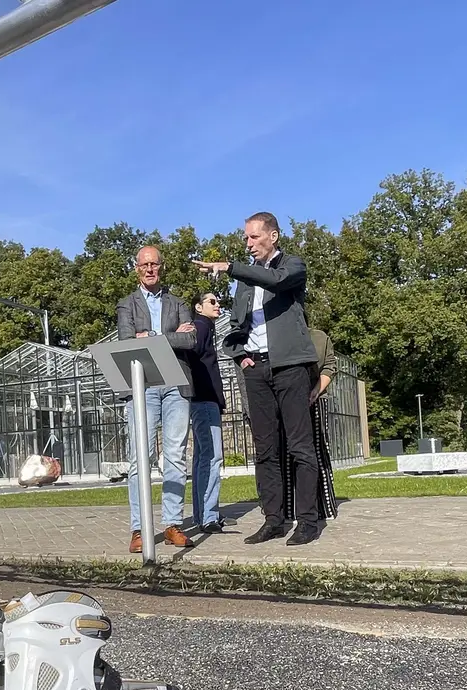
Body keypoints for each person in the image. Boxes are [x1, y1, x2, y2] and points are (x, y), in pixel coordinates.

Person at [195, 211, 320, 546]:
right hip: (257, 371)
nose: (249, 244)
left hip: (290, 367)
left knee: (299, 446)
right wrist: (241, 356)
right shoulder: (245, 284)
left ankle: (308, 521)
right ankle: (273, 520)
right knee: (265, 449)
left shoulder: (293, 265)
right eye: (246, 238)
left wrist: (228, 267)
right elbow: (236, 326)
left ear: (273, 236)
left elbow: (278, 282)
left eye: (254, 237)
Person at [117, 245, 198, 553]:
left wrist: (151, 337)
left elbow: (190, 339)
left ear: (162, 267)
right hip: (143, 387)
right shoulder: (127, 305)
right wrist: (169, 335)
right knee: (140, 459)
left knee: (175, 455)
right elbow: (126, 341)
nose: (149, 269)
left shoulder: (177, 303)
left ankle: (172, 524)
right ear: (137, 268)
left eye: (154, 264)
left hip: (176, 385)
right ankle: (139, 529)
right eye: (143, 265)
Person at [281, 327, 339, 523]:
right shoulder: (318, 337)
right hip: (305, 397)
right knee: (309, 452)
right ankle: (320, 508)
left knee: (300, 452)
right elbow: (330, 366)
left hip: (303, 399)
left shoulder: (316, 337)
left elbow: (330, 365)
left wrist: (316, 390)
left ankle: (297, 509)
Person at [189, 290, 227, 533]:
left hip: (202, 400)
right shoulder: (201, 327)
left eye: (218, 301)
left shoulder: (204, 328)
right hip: (204, 400)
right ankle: (208, 517)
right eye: (212, 301)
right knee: (212, 457)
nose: (217, 304)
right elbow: (193, 357)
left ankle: (201, 514)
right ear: (199, 307)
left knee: (202, 458)